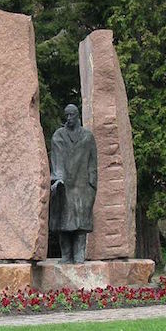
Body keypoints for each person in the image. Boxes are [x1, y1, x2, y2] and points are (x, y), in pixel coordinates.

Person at [49, 104, 97, 264]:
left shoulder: (87, 137)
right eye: (66, 115)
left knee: (81, 222)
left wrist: (92, 184)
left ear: (78, 116)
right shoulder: (59, 136)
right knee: (64, 221)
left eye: (72, 115)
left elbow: (93, 162)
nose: (68, 118)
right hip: (65, 184)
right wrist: (58, 179)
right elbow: (57, 159)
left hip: (83, 185)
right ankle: (66, 255)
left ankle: (79, 255)